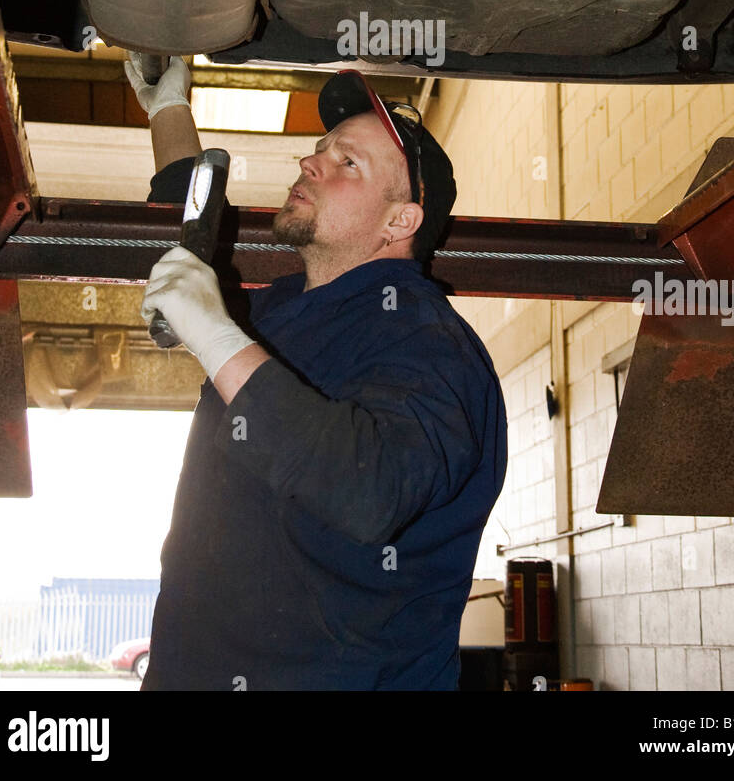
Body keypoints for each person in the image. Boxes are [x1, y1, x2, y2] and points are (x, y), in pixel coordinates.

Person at [125, 55, 507, 691]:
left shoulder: (432, 344)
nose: (310, 162)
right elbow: (188, 241)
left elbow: (370, 489)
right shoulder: (280, 310)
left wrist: (216, 336)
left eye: (346, 162)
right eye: (319, 150)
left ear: (400, 220)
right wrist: (169, 107)